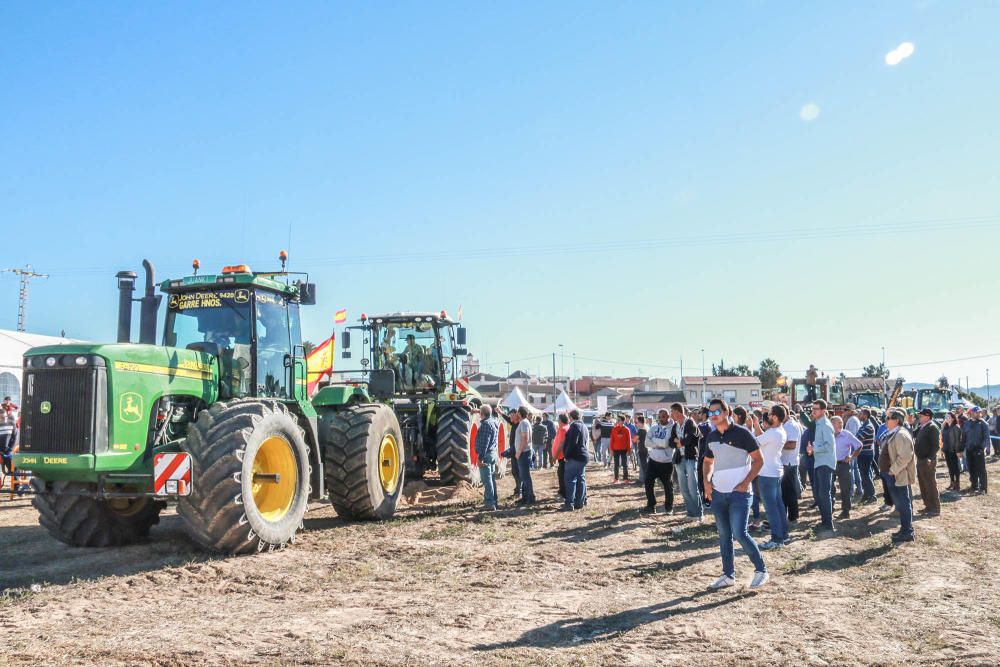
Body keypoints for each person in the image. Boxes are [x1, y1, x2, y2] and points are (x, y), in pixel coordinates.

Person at [702, 399, 769, 590]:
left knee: (740, 533)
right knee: (724, 535)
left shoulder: (743, 434)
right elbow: (707, 461)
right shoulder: (712, 437)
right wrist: (707, 482)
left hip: (740, 494)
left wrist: (745, 482)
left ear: (727, 412)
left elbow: (758, 460)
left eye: (717, 412)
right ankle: (728, 575)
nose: (713, 416)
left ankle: (761, 570)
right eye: (710, 413)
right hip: (718, 494)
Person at [749, 405, 789, 549]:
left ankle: (777, 539)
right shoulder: (780, 431)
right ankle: (783, 535)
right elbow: (761, 438)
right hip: (775, 471)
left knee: (771, 508)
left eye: (770, 414)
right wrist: (755, 424)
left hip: (767, 473)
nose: (768, 416)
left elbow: (755, 442)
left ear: (775, 417)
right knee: (778, 506)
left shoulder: (772, 433)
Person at [882, 409, 917, 543]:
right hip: (895, 474)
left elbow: (905, 456)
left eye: (888, 418)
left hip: (899, 475)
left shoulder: (901, 434)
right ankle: (904, 529)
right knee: (901, 503)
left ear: (896, 420)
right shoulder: (895, 433)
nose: (886, 420)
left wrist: (893, 470)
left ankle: (907, 531)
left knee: (904, 502)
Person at [807, 399, 837, 536]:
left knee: (824, 494)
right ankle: (825, 521)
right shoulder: (819, 423)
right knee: (821, 494)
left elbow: (829, 446)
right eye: (813, 408)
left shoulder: (825, 425)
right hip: (820, 462)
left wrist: (814, 448)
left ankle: (828, 524)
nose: (813, 411)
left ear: (823, 411)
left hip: (825, 462)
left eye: (816, 409)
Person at [671, 403, 703, 521]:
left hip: (690, 458)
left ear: (678, 412)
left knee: (692, 487)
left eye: (672, 412)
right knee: (683, 488)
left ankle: (699, 514)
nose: (671, 414)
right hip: (680, 459)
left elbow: (693, 438)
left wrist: (680, 442)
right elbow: (670, 441)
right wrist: (678, 442)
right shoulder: (675, 426)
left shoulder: (690, 422)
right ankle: (691, 513)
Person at [643, 409, 675, 515]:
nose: (661, 419)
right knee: (648, 482)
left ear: (668, 416)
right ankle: (651, 505)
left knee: (667, 486)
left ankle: (669, 507)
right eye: (660, 417)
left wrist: (654, 441)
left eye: (664, 416)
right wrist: (658, 443)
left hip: (666, 462)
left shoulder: (673, 428)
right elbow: (646, 442)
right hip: (653, 460)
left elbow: (666, 443)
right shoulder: (653, 427)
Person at [831, 415, 862, 519]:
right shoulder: (828, 434)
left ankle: (845, 511)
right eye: (838, 423)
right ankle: (830, 508)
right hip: (830, 464)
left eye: (841, 422)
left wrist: (852, 456)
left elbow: (859, 445)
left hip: (843, 465)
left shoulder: (846, 434)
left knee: (845, 489)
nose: (841, 424)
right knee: (829, 488)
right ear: (831, 424)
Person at [913, 408, 941, 515]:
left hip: (927, 460)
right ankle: (928, 506)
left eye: (921, 416)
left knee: (930, 484)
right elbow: (913, 434)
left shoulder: (932, 427)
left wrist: (930, 457)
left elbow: (936, 445)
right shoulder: (922, 426)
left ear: (928, 416)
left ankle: (935, 508)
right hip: (921, 459)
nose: (919, 418)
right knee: (923, 484)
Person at [560, 409, 589, 511]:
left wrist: (566, 456)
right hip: (583, 456)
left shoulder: (574, 426)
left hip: (575, 457)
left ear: (571, 417)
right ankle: (580, 502)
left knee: (570, 480)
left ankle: (569, 504)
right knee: (581, 479)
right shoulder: (584, 426)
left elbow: (572, 442)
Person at [474, 405, 500, 510]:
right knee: (492, 479)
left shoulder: (485, 424)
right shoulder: (494, 422)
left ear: (482, 414)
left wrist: (480, 459)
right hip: (493, 453)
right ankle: (494, 501)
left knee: (487, 480)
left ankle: (489, 504)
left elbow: (485, 443)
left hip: (486, 454)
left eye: (480, 412)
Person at [780, 408, 802, 525]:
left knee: (789, 492)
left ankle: (793, 517)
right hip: (787, 462)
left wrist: (777, 444)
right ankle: (789, 516)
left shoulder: (791, 426)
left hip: (789, 462)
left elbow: (792, 444)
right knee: (786, 492)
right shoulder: (788, 425)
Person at [963, 406, 990, 494]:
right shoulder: (967, 423)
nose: (979, 414)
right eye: (977, 412)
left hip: (978, 450)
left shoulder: (983, 424)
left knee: (981, 469)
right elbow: (964, 436)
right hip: (969, 449)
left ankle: (983, 488)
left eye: (980, 412)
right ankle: (974, 486)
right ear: (971, 413)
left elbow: (986, 438)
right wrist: (962, 447)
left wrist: (981, 448)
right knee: (971, 468)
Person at [855, 408, 879, 503]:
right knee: (864, 475)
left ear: (865, 415)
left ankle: (872, 495)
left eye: (860, 414)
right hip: (863, 453)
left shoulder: (868, 426)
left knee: (865, 475)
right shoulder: (864, 425)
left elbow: (859, 438)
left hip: (866, 454)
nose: (859, 415)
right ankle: (866, 494)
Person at [513, 407, 536, 504]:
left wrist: (519, 452)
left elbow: (525, 438)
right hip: (524, 452)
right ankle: (525, 497)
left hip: (524, 453)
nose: (516, 414)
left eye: (517, 412)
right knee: (524, 476)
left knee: (525, 476)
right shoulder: (524, 422)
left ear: (519, 413)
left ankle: (530, 498)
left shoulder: (523, 423)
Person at [942, 411, 964, 491]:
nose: (947, 419)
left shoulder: (956, 427)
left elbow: (958, 441)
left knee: (955, 467)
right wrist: (942, 450)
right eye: (946, 417)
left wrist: (958, 451)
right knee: (950, 467)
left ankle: (957, 484)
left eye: (948, 417)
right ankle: (952, 482)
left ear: (953, 418)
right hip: (947, 449)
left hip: (953, 450)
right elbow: (943, 439)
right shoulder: (945, 427)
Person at [552, 413, 570, 500]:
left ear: (561, 420)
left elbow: (561, 444)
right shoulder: (564, 427)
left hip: (562, 456)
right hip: (563, 456)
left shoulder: (563, 429)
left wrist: (554, 456)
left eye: (558, 419)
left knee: (561, 475)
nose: (557, 421)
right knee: (561, 474)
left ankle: (564, 494)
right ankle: (562, 491)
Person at [610, 415, 633, 482]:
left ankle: (625, 478)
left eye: (619, 420)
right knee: (616, 464)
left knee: (624, 464)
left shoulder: (626, 429)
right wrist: (611, 449)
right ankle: (616, 478)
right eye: (617, 420)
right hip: (616, 449)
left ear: (623, 421)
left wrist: (629, 449)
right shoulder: (614, 429)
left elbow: (629, 440)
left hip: (624, 449)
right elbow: (612, 440)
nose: (617, 421)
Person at [635, 414, 649, 484]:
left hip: (642, 450)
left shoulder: (640, 430)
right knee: (643, 465)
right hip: (646, 449)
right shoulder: (646, 429)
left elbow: (634, 440)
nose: (636, 424)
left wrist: (636, 440)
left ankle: (645, 480)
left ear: (641, 423)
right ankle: (642, 479)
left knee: (643, 466)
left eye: (637, 422)